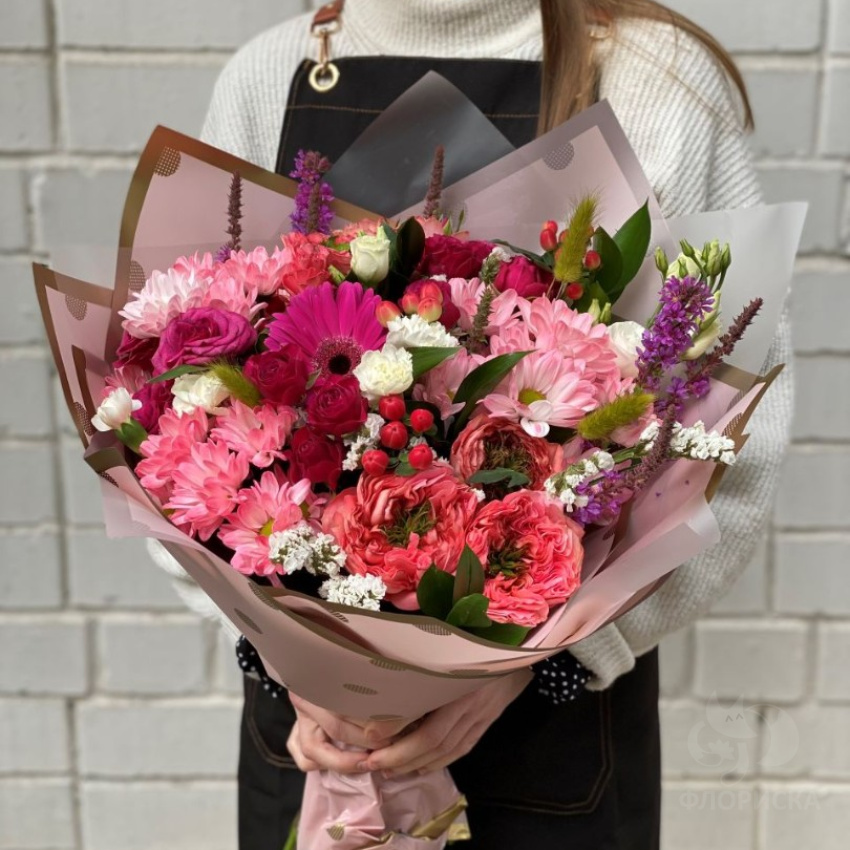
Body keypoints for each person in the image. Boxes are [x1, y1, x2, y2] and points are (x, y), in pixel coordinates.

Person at [148, 1, 793, 847]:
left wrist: (550, 665)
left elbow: (736, 442)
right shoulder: (268, 76)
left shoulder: (656, 78)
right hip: (313, 741)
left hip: (549, 744)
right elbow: (168, 413)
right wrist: (283, 664)